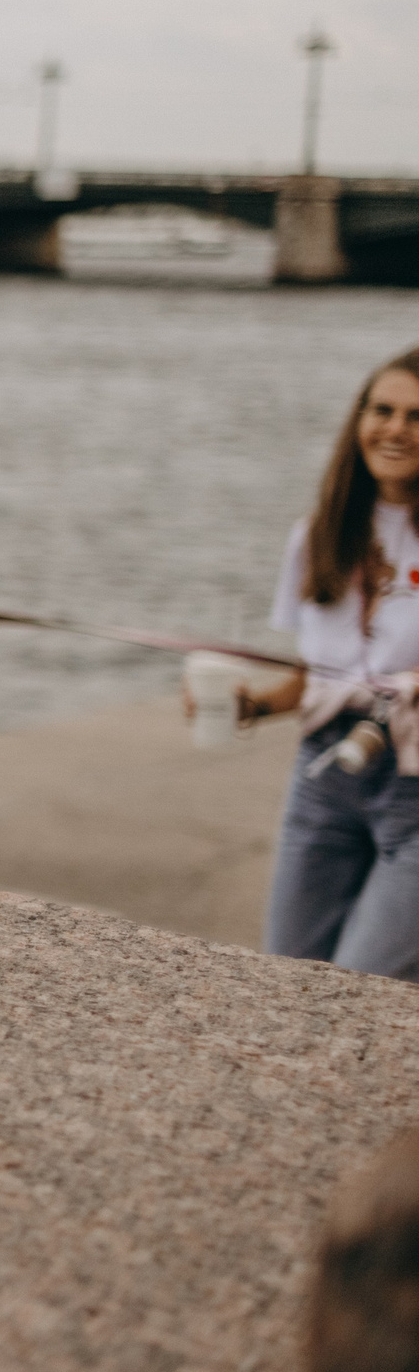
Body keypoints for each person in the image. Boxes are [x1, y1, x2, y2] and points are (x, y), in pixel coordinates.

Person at [219, 347, 419, 978]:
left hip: (413, 783)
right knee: (287, 984)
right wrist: (248, 705)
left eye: (417, 415)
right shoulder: (318, 535)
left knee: (368, 991)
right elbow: (316, 676)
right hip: (324, 775)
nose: (395, 429)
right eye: (381, 410)